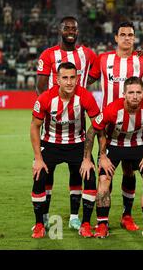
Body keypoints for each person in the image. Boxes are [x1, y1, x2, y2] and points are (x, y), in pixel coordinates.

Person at [87, 21, 143, 232]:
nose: (127, 38)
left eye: (131, 35)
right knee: (105, 175)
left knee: (130, 173)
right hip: (109, 131)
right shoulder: (103, 60)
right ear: (116, 38)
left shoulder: (142, 60)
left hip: (136, 132)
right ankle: (103, 221)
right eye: (123, 34)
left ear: (134, 38)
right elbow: (86, 82)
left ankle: (126, 216)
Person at [84, 76, 143, 238]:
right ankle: (102, 224)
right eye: (131, 92)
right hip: (113, 146)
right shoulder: (113, 109)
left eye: (138, 92)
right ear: (124, 94)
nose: (135, 96)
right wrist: (99, 156)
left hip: (138, 146)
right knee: (104, 180)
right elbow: (93, 130)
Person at [36, 16, 97, 230]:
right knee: (46, 173)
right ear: (60, 30)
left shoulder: (88, 54)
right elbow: (41, 86)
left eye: (74, 28)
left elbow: (95, 74)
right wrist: (53, 108)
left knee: (76, 173)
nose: (70, 31)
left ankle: (73, 218)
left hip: (78, 131)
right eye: (66, 28)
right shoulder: (48, 54)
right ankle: (44, 217)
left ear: (78, 31)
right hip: (52, 129)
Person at [30, 62, 100, 238]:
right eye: (65, 78)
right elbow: (34, 127)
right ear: (57, 80)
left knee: (89, 177)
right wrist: (38, 158)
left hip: (77, 145)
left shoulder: (85, 96)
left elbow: (98, 126)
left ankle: (82, 222)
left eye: (72, 78)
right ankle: (40, 223)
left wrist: (89, 158)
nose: (69, 82)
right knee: (40, 176)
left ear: (77, 78)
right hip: (51, 144)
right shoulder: (45, 98)